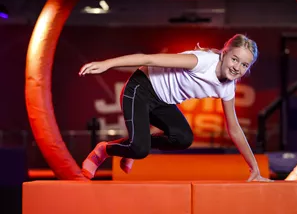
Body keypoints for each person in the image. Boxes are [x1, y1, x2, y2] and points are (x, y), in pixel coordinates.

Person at [79, 34, 271, 182]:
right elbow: (150, 59)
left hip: (162, 102)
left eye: (244, 65)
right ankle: (103, 150)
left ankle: (135, 145)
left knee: (183, 138)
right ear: (224, 54)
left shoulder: (228, 87)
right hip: (141, 87)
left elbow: (235, 129)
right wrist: (107, 64)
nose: (237, 67)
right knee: (140, 149)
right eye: (234, 59)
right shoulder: (201, 62)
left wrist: (254, 168)